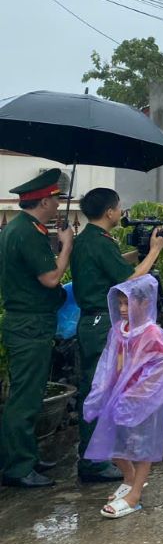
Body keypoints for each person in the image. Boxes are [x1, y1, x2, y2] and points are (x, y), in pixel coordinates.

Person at [70, 188, 163, 485]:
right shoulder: (98, 243)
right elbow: (130, 280)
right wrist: (155, 251)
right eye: (118, 207)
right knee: (102, 389)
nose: (120, 212)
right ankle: (94, 462)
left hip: (92, 321)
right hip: (101, 322)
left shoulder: (89, 239)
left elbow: (115, 266)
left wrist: (138, 252)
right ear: (110, 211)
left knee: (98, 387)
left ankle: (96, 456)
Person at [0, 169, 74, 488]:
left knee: (29, 394)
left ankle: (25, 457)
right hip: (29, 325)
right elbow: (51, 278)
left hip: (28, 322)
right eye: (56, 199)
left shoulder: (22, 228)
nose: (59, 205)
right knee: (25, 399)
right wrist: (67, 246)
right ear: (44, 200)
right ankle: (18, 468)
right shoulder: (27, 233)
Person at [84, 276, 163, 519]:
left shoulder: (153, 334)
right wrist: (100, 391)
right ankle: (130, 478)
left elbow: (160, 367)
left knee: (141, 447)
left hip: (141, 401)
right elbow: (109, 361)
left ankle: (134, 496)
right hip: (116, 397)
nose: (123, 309)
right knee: (113, 443)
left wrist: (137, 395)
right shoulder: (119, 330)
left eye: (128, 303)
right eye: (120, 303)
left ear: (145, 303)